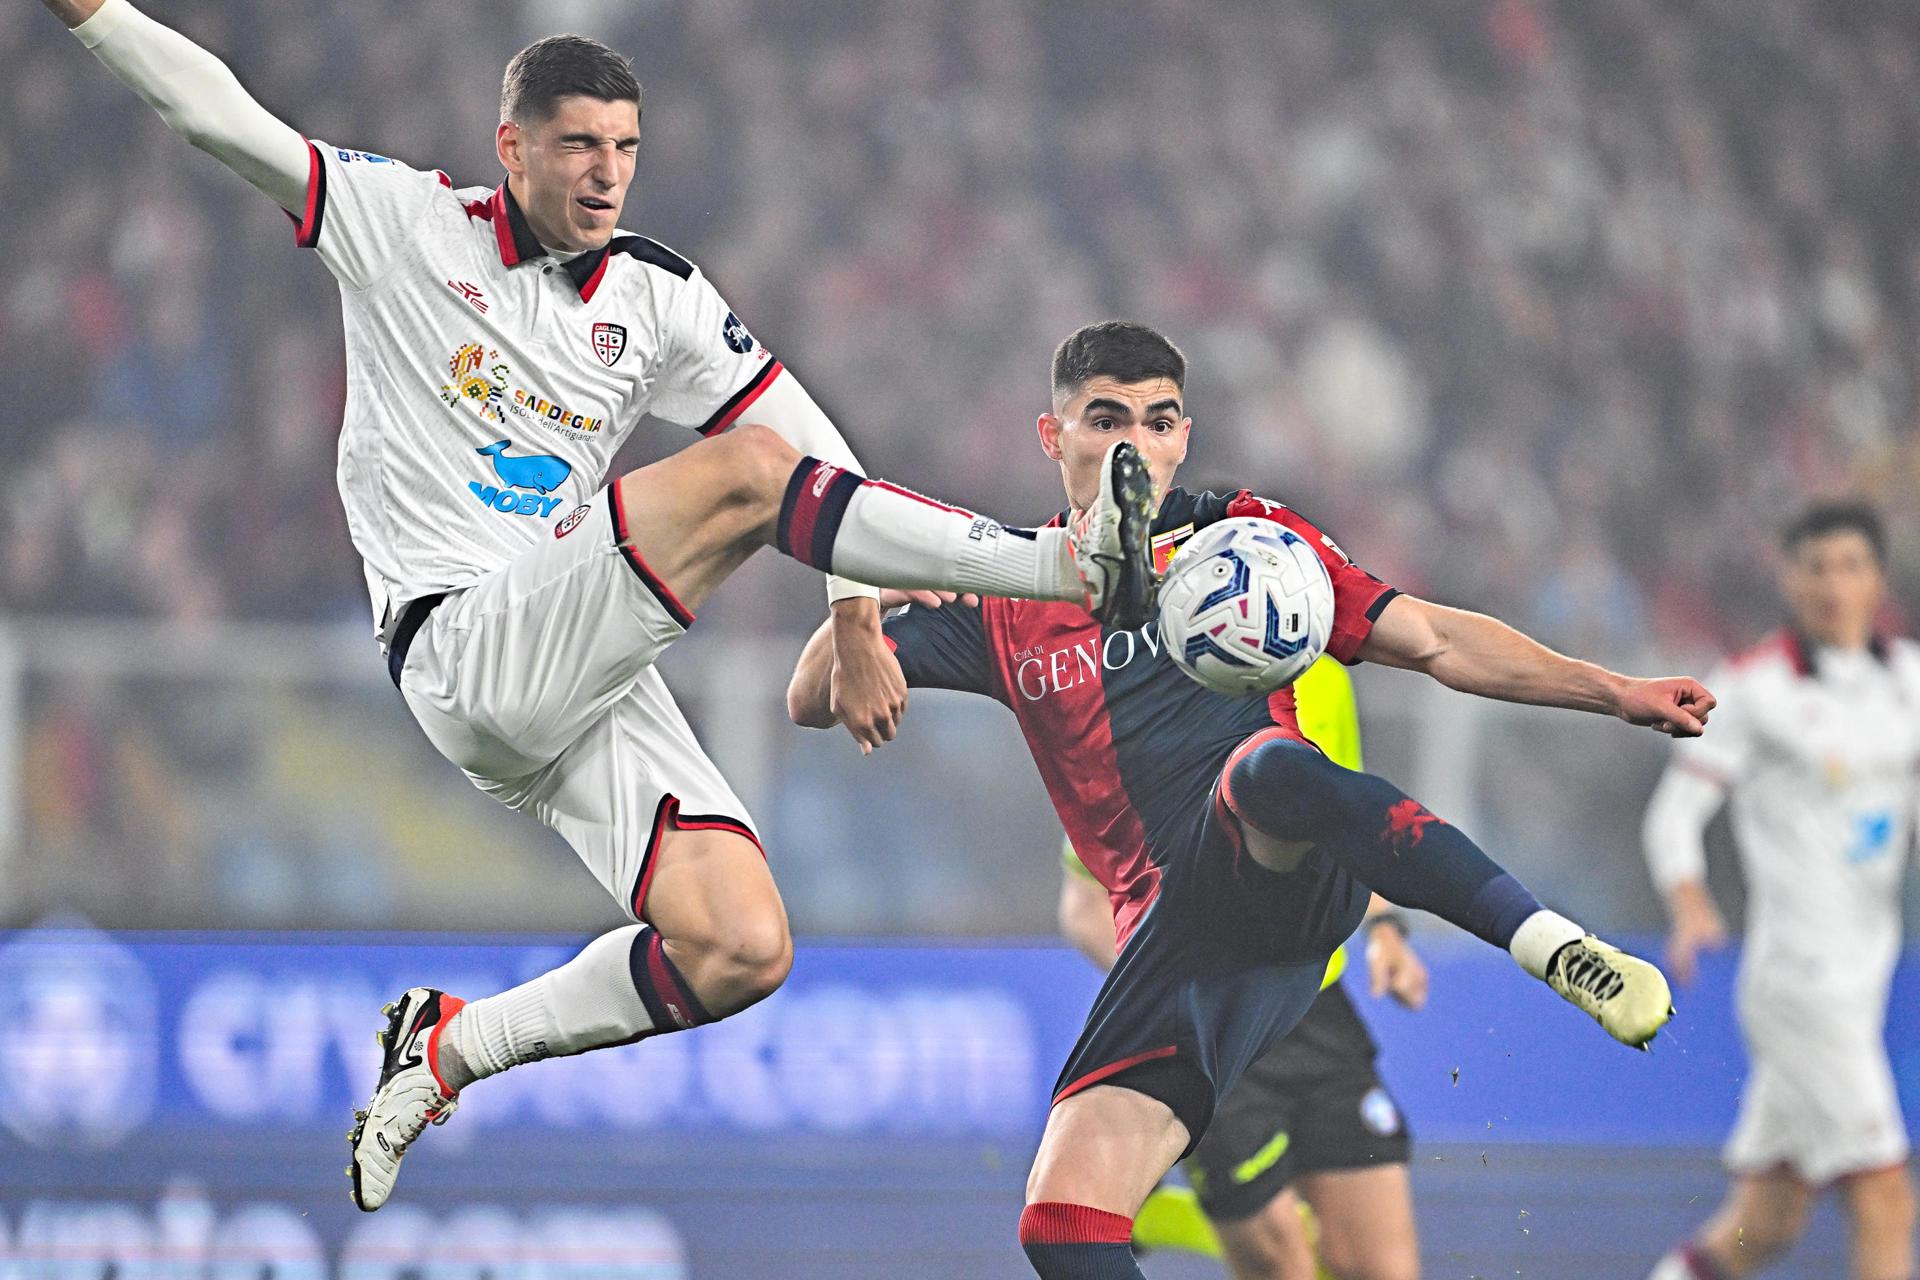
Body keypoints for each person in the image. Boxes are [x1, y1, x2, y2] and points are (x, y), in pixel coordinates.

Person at [41, 0, 1161, 1212]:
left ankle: (445, 1050)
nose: (607, 174)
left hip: (579, 664)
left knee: (741, 945)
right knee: (733, 474)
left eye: (625, 148)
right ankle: (1071, 565)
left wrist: (853, 618)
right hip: (463, 640)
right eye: (579, 146)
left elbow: (815, 444)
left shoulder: (658, 295)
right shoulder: (403, 223)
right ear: (511, 146)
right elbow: (217, 114)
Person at [788, 320, 1712, 1280]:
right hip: (1179, 939)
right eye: (1103, 421)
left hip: (1275, 858)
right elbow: (810, 698)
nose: (1129, 446)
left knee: (1265, 769)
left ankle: (1554, 947)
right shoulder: (999, 594)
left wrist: (1615, 692)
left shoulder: (1249, 538)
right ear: (1051, 437)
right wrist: (854, 614)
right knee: (1061, 1223)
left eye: (1156, 422)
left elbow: (1434, 639)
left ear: (1183, 437)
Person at [1058, 654, 1426, 1280]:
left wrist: (1387, 930)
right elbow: (1083, 907)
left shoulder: (1325, 681)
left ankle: (1187, 1216)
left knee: (1379, 1269)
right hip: (1212, 1029)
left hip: (1315, 1014)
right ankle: (1199, 1216)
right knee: (1282, 1262)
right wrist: (1178, 985)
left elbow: (1345, 829)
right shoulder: (1144, 693)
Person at [1643, 503, 1918, 1280]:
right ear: (1790, 579)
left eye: (1850, 566)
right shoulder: (1752, 690)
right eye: (1817, 567)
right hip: (1799, 982)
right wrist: (1690, 900)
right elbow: (1674, 816)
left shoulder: (1911, 683)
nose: (1834, 584)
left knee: (1766, 1223)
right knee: (1887, 1200)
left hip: (1862, 980)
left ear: (1877, 580)